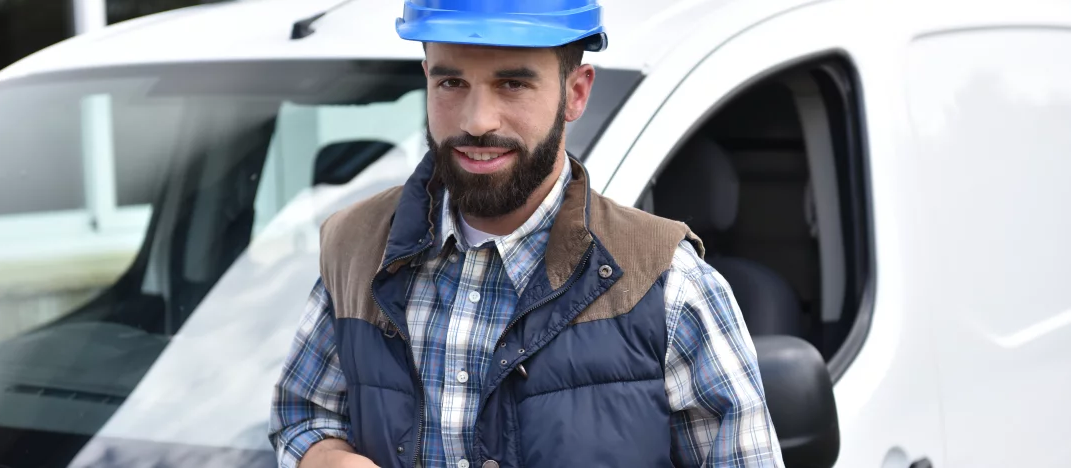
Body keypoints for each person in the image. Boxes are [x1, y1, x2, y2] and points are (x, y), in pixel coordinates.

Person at [269, 1, 785, 467]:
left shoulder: (668, 284)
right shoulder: (355, 248)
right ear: (426, 78)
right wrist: (327, 460)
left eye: (512, 84)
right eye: (451, 83)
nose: (476, 121)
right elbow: (303, 414)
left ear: (575, 92)